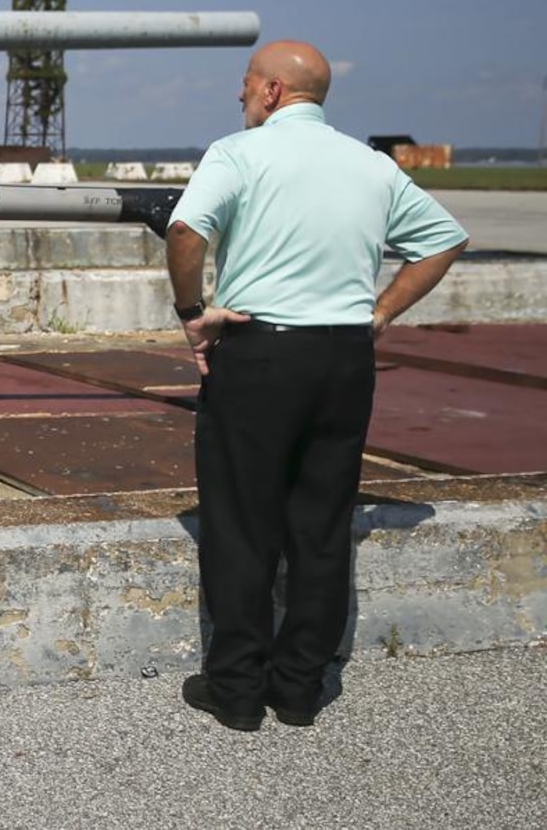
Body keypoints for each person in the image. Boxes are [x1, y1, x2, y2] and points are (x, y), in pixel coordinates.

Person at [164, 39, 467, 731]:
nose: (238, 97)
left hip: (260, 351)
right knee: (322, 524)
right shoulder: (371, 165)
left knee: (241, 523)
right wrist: (380, 313)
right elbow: (444, 239)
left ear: (271, 91)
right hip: (343, 358)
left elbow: (185, 231)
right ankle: (300, 687)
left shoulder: (238, 153)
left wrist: (191, 313)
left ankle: (237, 691)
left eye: (244, 85)